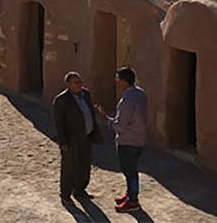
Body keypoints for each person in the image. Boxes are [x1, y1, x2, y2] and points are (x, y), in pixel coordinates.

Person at [95, 66, 148, 213]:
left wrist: (106, 118)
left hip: (128, 141)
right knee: (131, 170)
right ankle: (130, 195)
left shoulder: (127, 100)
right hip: (139, 139)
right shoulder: (140, 94)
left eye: (118, 79)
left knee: (130, 172)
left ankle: (133, 201)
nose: (116, 82)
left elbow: (120, 126)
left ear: (124, 81)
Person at [53, 71, 102, 205]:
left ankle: (80, 189)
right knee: (69, 167)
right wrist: (63, 142)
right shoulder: (62, 100)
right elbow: (58, 123)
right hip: (71, 139)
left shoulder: (85, 94)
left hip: (86, 136)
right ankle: (65, 193)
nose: (79, 84)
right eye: (76, 82)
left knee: (84, 164)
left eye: (80, 81)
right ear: (68, 84)